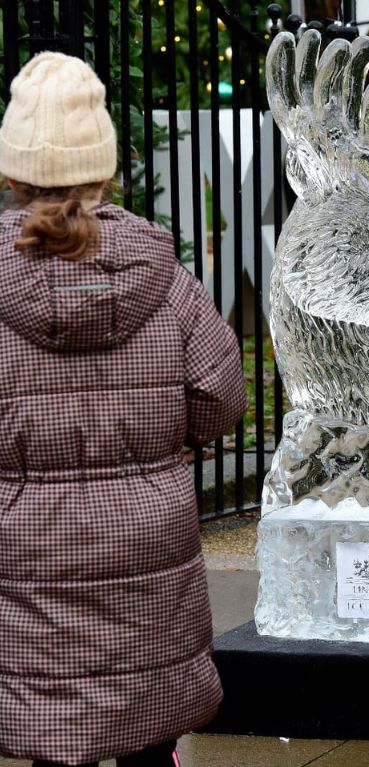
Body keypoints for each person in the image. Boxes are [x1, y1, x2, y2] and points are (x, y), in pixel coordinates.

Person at [0, 52, 248, 766]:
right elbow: (218, 398)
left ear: (14, 174)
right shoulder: (164, 279)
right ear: (105, 169)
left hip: (27, 543)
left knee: (53, 723)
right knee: (148, 725)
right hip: (146, 534)